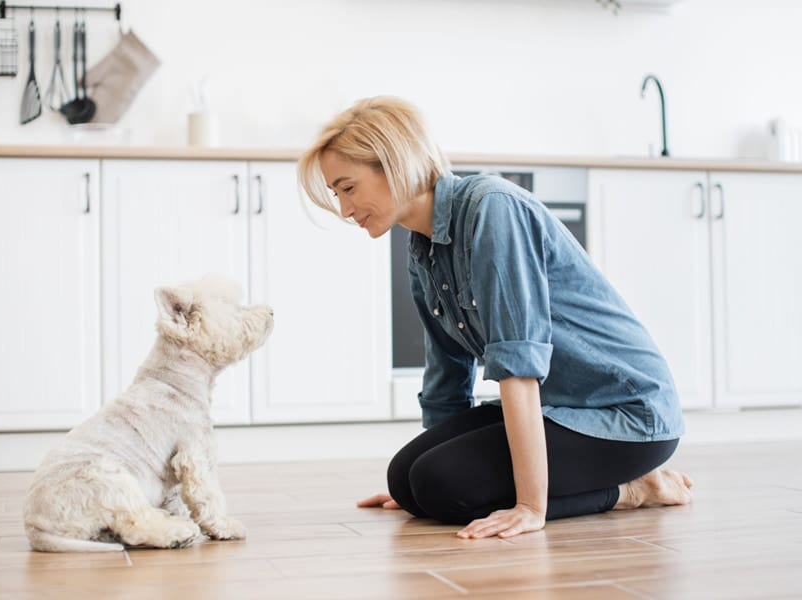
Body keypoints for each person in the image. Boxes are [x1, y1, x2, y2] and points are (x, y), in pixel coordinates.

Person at [297, 96, 693, 540]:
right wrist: (420, 487)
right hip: (558, 407)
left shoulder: (492, 209)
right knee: (407, 477)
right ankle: (432, 484)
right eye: (337, 194)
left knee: (440, 482)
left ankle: (632, 490)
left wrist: (529, 505)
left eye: (348, 188)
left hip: (625, 414)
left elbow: (519, 364)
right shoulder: (421, 248)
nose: (345, 210)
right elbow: (447, 369)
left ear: (393, 162)